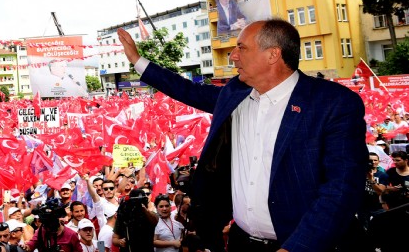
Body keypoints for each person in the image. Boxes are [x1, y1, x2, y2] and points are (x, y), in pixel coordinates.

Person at [117, 19, 368, 252]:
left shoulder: (332, 104)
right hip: (241, 242)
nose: (233, 56)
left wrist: (297, 247)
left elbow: (342, 189)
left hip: (303, 244)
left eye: (241, 48)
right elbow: (187, 90)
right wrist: (138, 60)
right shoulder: (235, 95)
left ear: (273, 54)